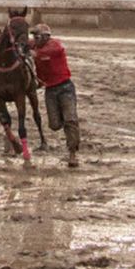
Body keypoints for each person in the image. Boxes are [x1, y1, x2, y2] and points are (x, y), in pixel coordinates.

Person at [31, 23, 80, 168]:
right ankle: (68, 129)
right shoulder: (36, 45)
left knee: (70, 119)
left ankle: (73, 153)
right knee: (54, 125)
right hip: (50, 90)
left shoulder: (55, 46)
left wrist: (32, 52)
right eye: (34, 36)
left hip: (65, 88)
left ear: (46, 37)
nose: (35, 39)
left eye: (37, 36)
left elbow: (43, 53)